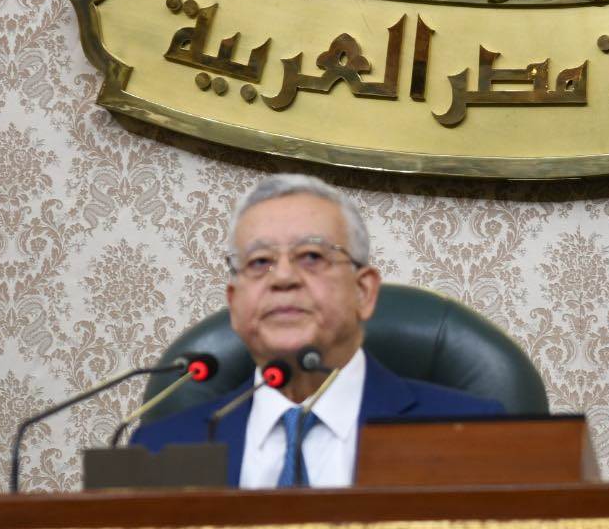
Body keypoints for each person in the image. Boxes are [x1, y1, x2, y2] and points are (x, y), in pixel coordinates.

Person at [131, 174, 504, 487]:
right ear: (234, 303)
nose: (283, 278)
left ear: (363, 292)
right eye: (259, 262)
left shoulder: (474, 435)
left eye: (311, 256)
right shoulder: (158, 449)